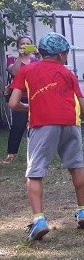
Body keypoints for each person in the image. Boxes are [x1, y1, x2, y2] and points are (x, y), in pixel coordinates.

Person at [8, 33, 84, 241]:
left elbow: (12, 104)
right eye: (66, 53)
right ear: (59, 54)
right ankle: (83, 211)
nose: (67, 56)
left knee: (35, 172)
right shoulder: (68, 74)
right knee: (76, 165)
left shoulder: (27, 71)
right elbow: (83, 108)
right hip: (70, 123)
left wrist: (29, 107)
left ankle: (39, 220)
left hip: (42, 125)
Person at [4, 36, 38, 164]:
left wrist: (40, 55)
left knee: (37, 126)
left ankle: (36, 152)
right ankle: (11, 153)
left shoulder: (36, 60)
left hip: (34, 96)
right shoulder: (12, 59)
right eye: (22, 43)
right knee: (18, 126)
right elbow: (14, 72)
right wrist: (20, 56)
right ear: (18, 46)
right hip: (19, 96)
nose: (24, 45)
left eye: (27, 44)